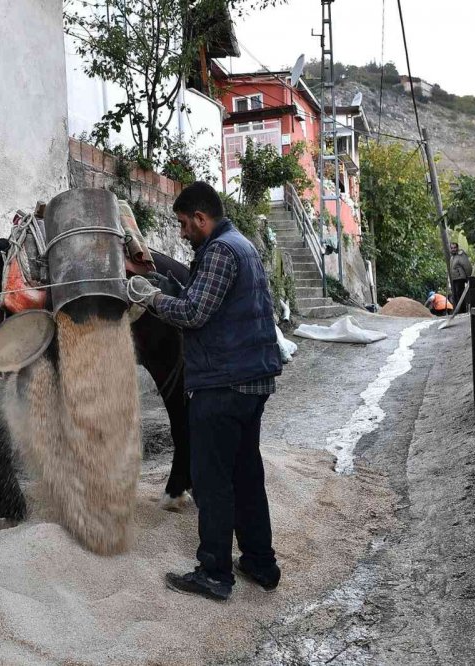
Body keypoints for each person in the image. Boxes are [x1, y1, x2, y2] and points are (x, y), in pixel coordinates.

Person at [138, 181, 283, 602]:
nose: (182, 232)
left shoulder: (219, 251)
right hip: (249, 381)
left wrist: (149, 298)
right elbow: (212, 302)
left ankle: (215, 573)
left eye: (184, 224)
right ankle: (260, 563)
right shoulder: (243, 247)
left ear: (202, 218)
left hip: (223, 383)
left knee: (212, 481)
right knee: (246, 476)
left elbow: (195, 312)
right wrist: (168, 287)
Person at [449, 243, 472, 310]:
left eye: (454, 247)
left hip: (460, 278)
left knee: (460, 294)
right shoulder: (452, 257)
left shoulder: (461, 256)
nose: (453, 249)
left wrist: (468, 277)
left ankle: (463, 310)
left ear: (457, 248)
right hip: (454, 279)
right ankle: (459, 310)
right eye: (452, 248)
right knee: (455, 295)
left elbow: (467, 267)